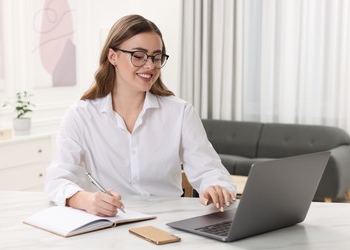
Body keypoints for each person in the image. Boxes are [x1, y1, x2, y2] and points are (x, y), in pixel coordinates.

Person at [45, 14, 236, 217]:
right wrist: (86, 199)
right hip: (110, 223)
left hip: (167, 222)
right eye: (138, 56)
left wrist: (215, 187)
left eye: (156, 56)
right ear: (113, 57)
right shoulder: (81, 115)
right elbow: (58, 179)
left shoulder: (180, 113)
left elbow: (210, 171)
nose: (150, 65)